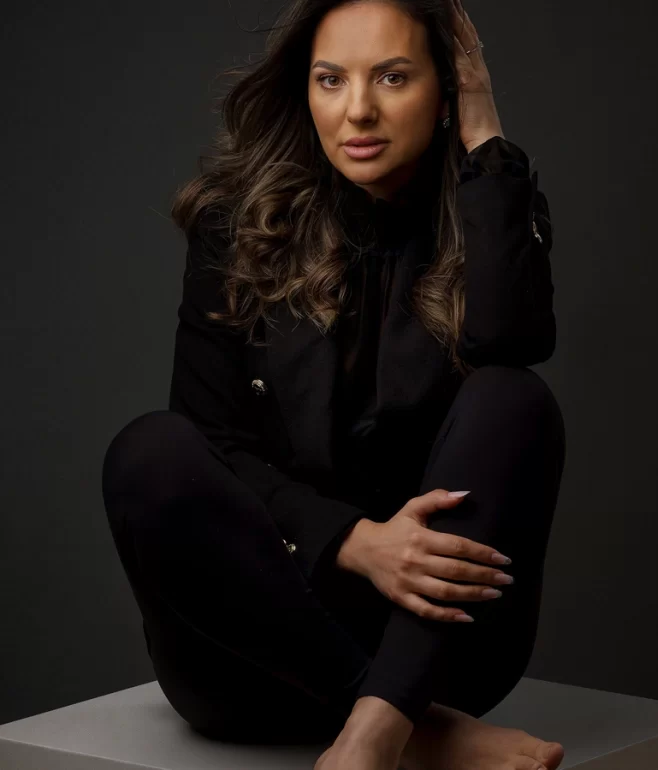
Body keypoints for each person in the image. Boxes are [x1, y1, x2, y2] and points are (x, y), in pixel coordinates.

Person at [101, 1, 566, 768]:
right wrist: (355, 543)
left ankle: (383, 723)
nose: (358, 109)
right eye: (330, 79)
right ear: (305, 90)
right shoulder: (237, 224)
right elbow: (213, 445)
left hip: (436, 653)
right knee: (148, 451)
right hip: (249, 653)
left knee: (513, 398)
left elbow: (515, 343)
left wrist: (484, 126)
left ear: (444, 91)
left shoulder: (490, 210)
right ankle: (415, 732)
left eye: (393, 76)